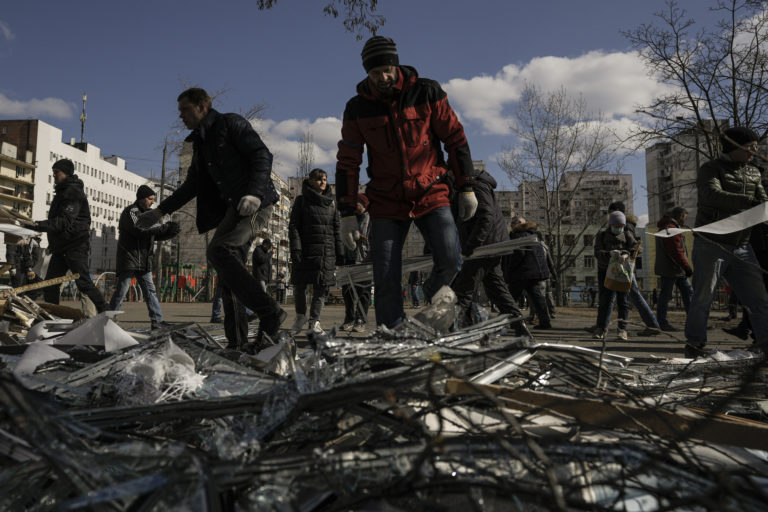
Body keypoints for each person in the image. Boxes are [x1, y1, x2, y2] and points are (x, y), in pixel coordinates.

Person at [335, 36, 477, 329]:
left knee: (451, 258)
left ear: (396, 64)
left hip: (430, 190)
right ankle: (393, 334)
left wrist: (467, 186)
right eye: (375, 73)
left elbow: (455, 138)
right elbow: (348, 161)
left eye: (387, 69)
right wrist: (347, 212)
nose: (383, 78)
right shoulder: (357, 107)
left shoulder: (427, 92)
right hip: (387, 199)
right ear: (367, 73)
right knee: (385, 273)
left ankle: (429, 296)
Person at [137, 87, 286, 351]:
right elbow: (191, 185)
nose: (181, 116)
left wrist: (253, 192)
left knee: (219, 250)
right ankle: (237, 342)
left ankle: (269, 310)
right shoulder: (201, 145)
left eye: (185, 109)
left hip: (258, 203)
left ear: (202, 106)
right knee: (227, 274)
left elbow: (262, 155)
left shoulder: (231, 124)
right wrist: (159, 212)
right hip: (235, 209)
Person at [684, 126, 768, 357]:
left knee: (759, 300)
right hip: (712, 244)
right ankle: (695, 345)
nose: (754, 152)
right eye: (750, 147)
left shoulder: (753, 172)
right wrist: (749, 202)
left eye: (756, 147)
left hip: (742, 245)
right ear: (735, 146)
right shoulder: (710, 169)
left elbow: (763, 201)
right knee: (703, 298)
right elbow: (711, 195)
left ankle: (765, 345)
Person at [33, 159, 108, 313]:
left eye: (56, 172)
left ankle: (106, 313)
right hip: (61, 248)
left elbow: (63, 222)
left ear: (66, 173)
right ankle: (54, 316)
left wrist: (36, 225)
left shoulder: (72, 192)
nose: (53, 175)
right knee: (50, 285)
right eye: (53, 172)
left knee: (84, 283)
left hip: (75, 246)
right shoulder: (62, 192)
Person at [451, 170, 523, 329]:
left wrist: (472, 244)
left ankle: (450, 332)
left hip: (484, 247)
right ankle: (520, 327)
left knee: (462, 290)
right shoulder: (474, 184)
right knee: (497, 290)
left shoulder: (475, 184)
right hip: (488, 245)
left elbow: (486, 216)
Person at [109, 185, 180, 329]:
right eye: (150, 199)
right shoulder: (131, 211)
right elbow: (139, 230)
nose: (152, 202)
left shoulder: (149, 214)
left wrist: (170, 232)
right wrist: (163, 228)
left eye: (154, 199)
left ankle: (157, 322)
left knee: (150, 291)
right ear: (142, 198)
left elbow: (153, 234)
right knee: (122, 290)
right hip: (130, 258)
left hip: (144, 260)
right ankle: (109, 321)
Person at [288, 168, 343, 335]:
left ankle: (315, 322)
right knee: (299, 285)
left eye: (325, 179)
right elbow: (294, 226)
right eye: (319, 179)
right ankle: (300, 317)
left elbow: (336, 228)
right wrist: (296, 248)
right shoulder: (301, 200)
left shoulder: (332, 202)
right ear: (310, 181)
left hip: (326, 251)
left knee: (321, 288)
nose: (323, 182)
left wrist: (340, 252)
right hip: (304, 250)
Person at [593, 210, 637, 341]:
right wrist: (609, 254)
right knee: (605, 301)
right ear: (611, 224)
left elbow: (636, 248)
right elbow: (597, 252)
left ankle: (622, 330)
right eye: (616, 226)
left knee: (623, 301)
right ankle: (601, 328)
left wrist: (626, 254)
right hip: (605, 271)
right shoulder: (601, 235)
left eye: (621, 226)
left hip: (622, 272)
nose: (619, 228)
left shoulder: (627, 234)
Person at [504, 216, 550, 329]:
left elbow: (518, 255)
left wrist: (510, 270)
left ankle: (508, 322)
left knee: (510, 297)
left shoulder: (518, 235)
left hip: (522, 272)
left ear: (519, 223)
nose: (511, 226)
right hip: (533, 272)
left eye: (512, 223)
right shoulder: (533, 235)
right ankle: (545, 322)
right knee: (537, 297)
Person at [654, 206, 694, 331]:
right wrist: (686, 267)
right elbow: (676, 251)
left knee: (686, 293)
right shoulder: (671, 229)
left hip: (673, 269)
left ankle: (694, 321)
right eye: (684, 217)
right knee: (668, 296)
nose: (684, 220)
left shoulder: (666, 227)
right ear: (681, 216)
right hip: (674, 269)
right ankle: (663, 323)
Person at [341, 194, 372, 332]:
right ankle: (349, 318)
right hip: (348, 259)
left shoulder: (371, 219)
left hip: (364, 259)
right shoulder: (348, 218)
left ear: (364, 205)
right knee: (347, 291)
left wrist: (364, 241)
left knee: (363, 291)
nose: (355, 206)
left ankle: (361, 320)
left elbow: (375, 239)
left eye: (358, 203)